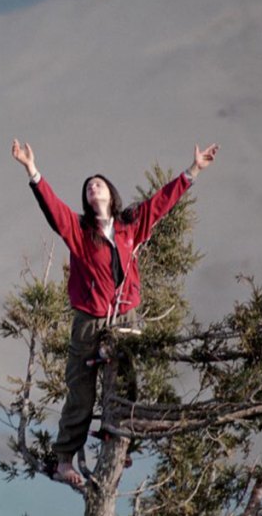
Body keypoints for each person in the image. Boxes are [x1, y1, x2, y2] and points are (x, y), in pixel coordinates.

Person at [11, 138, 219, 488]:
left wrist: (193, 170)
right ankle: (64, 461)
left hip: (125, 317)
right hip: (89, 319)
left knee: (125, 385)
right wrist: (32, 169)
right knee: (81, 391)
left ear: (110, 193)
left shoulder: (130, 224)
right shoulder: (80, 231)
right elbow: (53, 210)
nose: (93, 188)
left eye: (98, 184)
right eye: (88, 187)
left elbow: (160, 203)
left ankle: (118, 446)